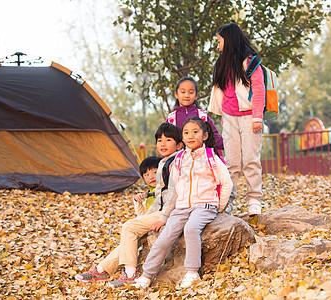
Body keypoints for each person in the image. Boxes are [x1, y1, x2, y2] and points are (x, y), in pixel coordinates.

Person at [74, 123, 183, 288]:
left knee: (129, 228)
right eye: (159, 140)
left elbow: (174, 196)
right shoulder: (163, 163)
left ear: (179, 145)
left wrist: (163, 218)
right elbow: (160, 196)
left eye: (168, 140)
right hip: (161, 210)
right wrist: (145, 215)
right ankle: (101, 269)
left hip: (171, 213)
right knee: (130, 236)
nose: (162, 143)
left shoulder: (176, 163)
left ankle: (130, 274)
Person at [134, 117, 232, 289]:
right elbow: (176, 189)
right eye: (186, 132)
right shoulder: (179, 159)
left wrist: (220, 206)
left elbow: (227, 183)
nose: (190, 136)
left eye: (195, 132)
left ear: (205, 135)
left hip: (205, 205)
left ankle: (192, 272)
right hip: (182, 207)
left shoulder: (211, 157)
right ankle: (146, 275)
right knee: (165, 236)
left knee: (191, 228)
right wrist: (166, 215)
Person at [208, 23, 265, 216]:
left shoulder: (250, 61)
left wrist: (258, 117)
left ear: (229, 40)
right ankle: (227, 201)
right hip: (229, 118)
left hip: (250, 117)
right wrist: (223, 116)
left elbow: (259, 90)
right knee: (231, 163)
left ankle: (254, 199)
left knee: (250, 159)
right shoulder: (221, 63)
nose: (218, 46)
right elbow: (221, 92)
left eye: (219, 41)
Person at [166, 76, 224, 152]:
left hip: (202, 160)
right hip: (178, 160)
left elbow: (214, 136)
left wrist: (229, 145)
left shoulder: (202, 116)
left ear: (196, 95)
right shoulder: (171, 119)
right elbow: (166, 140)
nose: (186, 95)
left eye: (191, 92)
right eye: (183, 92)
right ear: (176, 94)